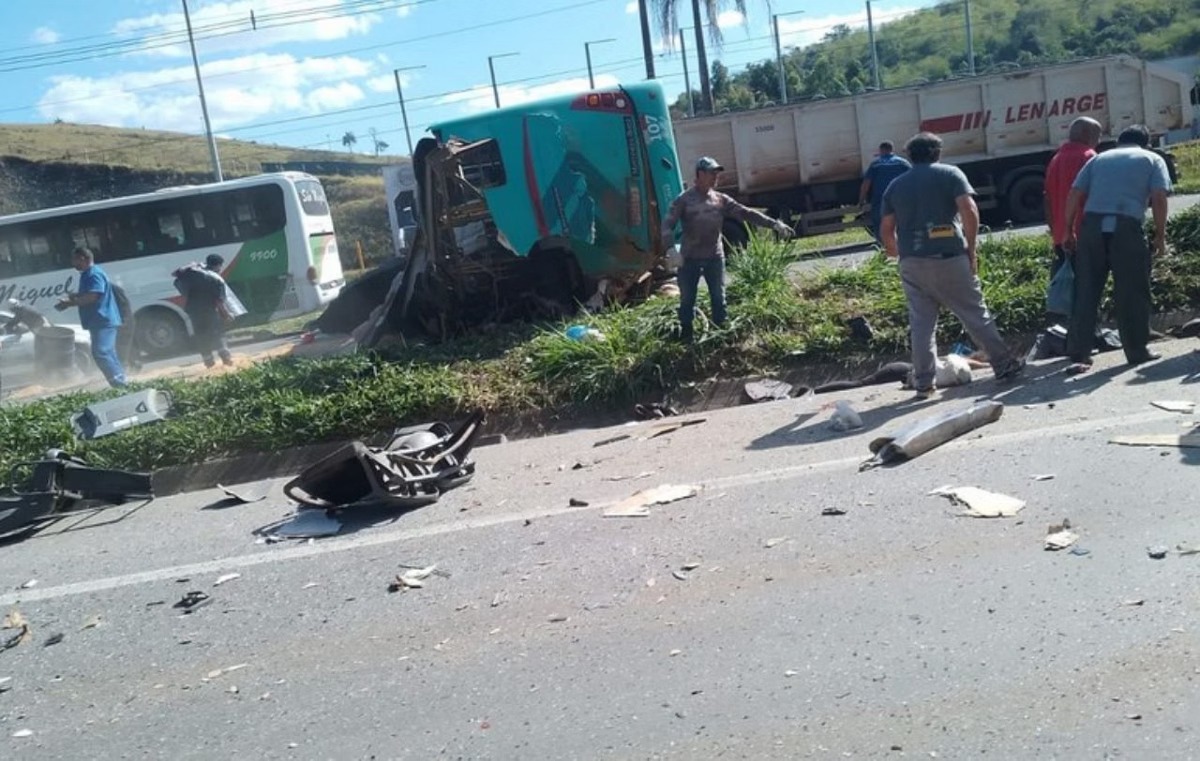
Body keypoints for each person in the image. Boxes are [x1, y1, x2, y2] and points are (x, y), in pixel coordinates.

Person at [879, 132, 1025, 399]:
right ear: (937, 153)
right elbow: (969, 210)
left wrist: (899, 253)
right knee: (974, 314)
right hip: (949, 257)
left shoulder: (895, 186)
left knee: (922, 325)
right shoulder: (950, 174)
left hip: (912, 263)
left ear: (910, 156)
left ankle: (924, 382)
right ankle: (1004, 366)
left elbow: (887, 230)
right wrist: (971, 247)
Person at [1061, 124, 1171, 374]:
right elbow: (1159, 197)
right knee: (1132, 291)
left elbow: (1075, 193)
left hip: (1092, 227)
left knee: (1087, 288)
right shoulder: (1152, 159)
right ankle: (1136, 351)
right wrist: (1160, 236)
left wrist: (1068, 229)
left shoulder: (1098, 159)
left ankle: (1079, 352)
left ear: (1119, 141)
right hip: (1127, 228)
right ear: (1145, 142)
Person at [661, 156, 794, 343]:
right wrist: (670, 249)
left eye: (717, 173)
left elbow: (745, 212)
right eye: (711, 173)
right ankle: (687, 337)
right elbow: (667, 224)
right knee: (687, 300)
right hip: (689, 258)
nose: (716, 177)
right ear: (699, 174)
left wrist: (774, 224)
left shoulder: (720, 200)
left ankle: (720, 336)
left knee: (718, 297)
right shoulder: (684, 200)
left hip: (714, 257)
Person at [54, 247, 127, 388]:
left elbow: (93, 296)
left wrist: (70, 303)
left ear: (82, 258)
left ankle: (119, 384)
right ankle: (120, 380)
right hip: (99, 320)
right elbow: (90, 293)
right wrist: (74, 296)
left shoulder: (93, 274)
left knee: (101, 352)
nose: (72, 262)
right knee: (107, 351)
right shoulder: (88, 274)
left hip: (103, 319)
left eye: (74, 259)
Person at [1045, 117, 1102, 280]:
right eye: (1097, 135)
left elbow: (1047, 200)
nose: (1099, 141)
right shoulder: (1089, 157)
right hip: (1084, 235)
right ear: (1085, 134)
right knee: (1087, 288)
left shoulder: (1055, 160)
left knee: (1067, 290)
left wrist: (1055, 231)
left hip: (1060, 237)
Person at [173, 253, 233, 368]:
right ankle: (226, 359)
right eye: (220, 267)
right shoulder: (216, 279)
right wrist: (226, 315)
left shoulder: (193, 273)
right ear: (218, 265)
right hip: (210, 311)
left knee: (201, 335)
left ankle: (208, 362)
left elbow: (176, 276)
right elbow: (219, 302)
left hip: (193, 311)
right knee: (218, 334)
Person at [859, 141, 912, 246]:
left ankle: (887, 247)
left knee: (882, 224)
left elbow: (866, 184)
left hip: (881, 200)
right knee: (903, 222)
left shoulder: (876, 164)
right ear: (892, 149)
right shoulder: (903, 163)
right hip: (900, 199)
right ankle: (903, 245)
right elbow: (913, 179)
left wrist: (861, 200)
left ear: (881, 150)